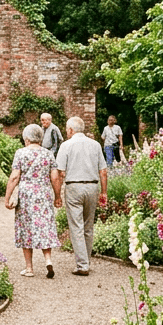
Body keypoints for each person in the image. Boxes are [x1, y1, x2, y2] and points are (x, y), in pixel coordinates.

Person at [53, 116, 108, 276]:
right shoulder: (95, 145)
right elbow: (103, 171)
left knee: (76, 226)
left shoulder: (66, 146)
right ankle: (86, 261)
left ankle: (82, 265)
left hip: (74, 187)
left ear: (71, 130)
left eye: (66, 129)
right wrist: (104, 192)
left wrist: (57, 195)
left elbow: (59, 173)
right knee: (88, 226)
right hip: (92, 186)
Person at [5, 123, 60, 278]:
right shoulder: (48, 154)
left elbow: (15, 176)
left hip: (27, 195)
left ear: (27, 139)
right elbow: (55, 177)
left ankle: (29, 268)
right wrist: (57, 196)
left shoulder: (21, 153)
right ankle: (48, 260)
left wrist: (7, 197)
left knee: (26, 227)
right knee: (45, 225)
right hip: (43, 194)